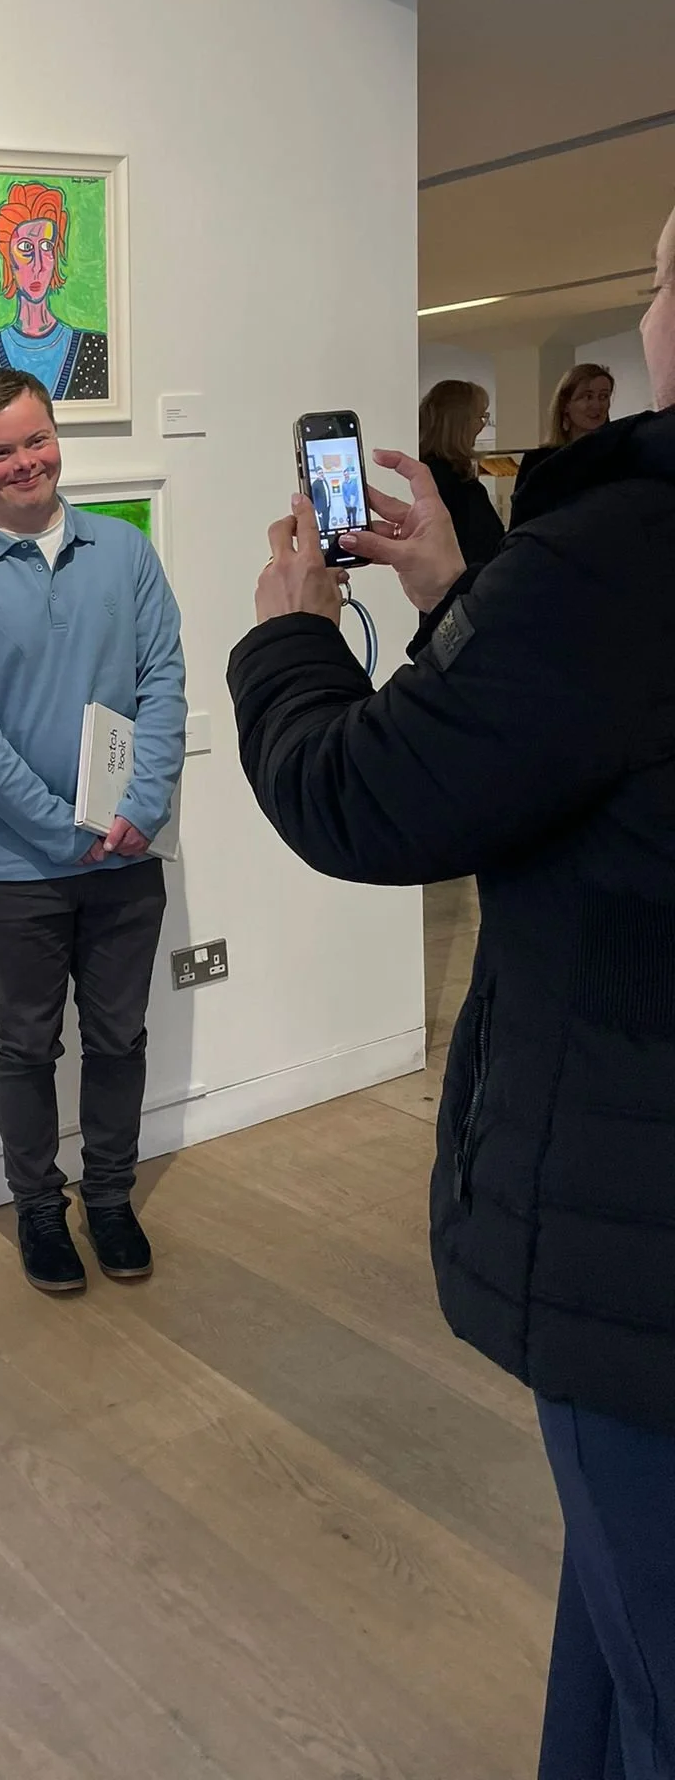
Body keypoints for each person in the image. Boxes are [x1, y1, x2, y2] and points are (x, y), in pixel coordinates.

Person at [226, 204, 675, 1779]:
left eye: (665, 277)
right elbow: (584, 744)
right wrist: (463, 586)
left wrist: (289, 641)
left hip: (638, 1225)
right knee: (619, 1633)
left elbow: (369, 798)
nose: (645, 304)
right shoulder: (587, 572)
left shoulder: (623, 554)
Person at [0, 368, 186, 1294]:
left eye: (35, 441)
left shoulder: (126, 553)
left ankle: (110, 1197)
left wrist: (140, 808)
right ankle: (39, 1208)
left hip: (128, 852)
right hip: (18, 866)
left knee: (121, 1037)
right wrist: (69, 832)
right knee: (26, 1044)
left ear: (56, 437)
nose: (23, 463)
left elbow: (163, 684)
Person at [0, 181, 109, 400]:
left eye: (47, 246)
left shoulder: (95, 349)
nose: (39, 264)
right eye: (26, 248)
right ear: (8, 258)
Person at [418, 377, 504, 567]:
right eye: (479, 418)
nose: (481, 426)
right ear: (459, 422)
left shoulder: (441, 473)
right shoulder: (445, 479)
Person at [514, 361, 615, 501]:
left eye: (603, 397)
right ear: (565, 404)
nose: (597, 405)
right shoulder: (538, 461)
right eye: (588, 397)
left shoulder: (619, 456)